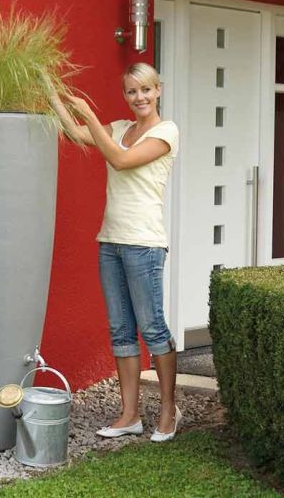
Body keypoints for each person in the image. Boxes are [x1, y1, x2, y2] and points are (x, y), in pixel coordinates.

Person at [48, 62, 181, 442]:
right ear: (124, 95)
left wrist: (88, 113)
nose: (139, 97)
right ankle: (129, 415)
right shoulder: (120, 130)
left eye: (145, 90)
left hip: (144, 244)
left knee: (152, 329)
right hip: (111, 241)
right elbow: (74, 133)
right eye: (131, 91)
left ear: (158, 90)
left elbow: (120, 160)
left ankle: (169, 410)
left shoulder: (166, 131)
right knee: (121, 331)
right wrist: (55, 96)